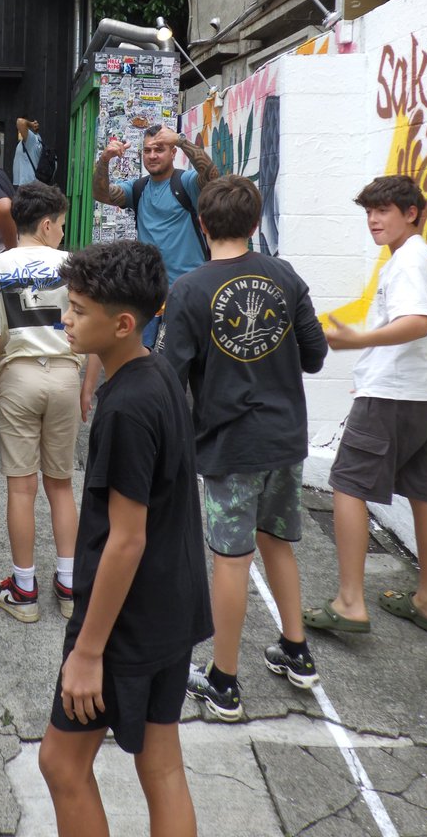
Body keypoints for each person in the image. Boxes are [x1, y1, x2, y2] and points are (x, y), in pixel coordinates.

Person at [38, 241, 212, 837]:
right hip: (171, 606)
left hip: (126, 622)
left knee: (61, 763)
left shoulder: (126, 407)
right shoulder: (156, 372)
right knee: (161, 764)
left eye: (78, 309)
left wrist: (87, 653)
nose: (66, 317)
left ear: (123, 323)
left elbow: (126, 540)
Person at [163, 176, 328, 722]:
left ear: (202, 224)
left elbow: (169, 374)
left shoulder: (188, 290)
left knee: (230, 561)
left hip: (229, 444)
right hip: (285, 440)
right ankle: (296, 651)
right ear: (255, 223)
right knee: (277, 542)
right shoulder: (285, 276)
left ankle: (224, 681)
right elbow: (314, 356)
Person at [305, 174, 427, 637]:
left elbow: (414, 322)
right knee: (425, 495)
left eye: (384, 210)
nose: (373, 219)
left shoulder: (408, 259)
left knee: (347, 485)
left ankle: (350, 602)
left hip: (395, 396)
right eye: (369, 211)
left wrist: (358, 341)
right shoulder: (424, 256)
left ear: (411, 213)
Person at [0, 182, 81, 623]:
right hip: (65, 376)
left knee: (21, 487)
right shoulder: (74, 265)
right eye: (60, 225)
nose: (62, 232)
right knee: (60, 485)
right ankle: (68, 584)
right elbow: (88, 332)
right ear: (45, 223)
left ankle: (23, 590)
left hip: (18, 377)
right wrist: (88, 385)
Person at [91, 123, 219, 348]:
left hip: (189, 292)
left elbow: (212, 176)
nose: (152, 155)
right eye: (147, 150)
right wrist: (104, 160)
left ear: (172, 153)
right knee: (149, 364)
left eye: (159, 149)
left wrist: (180, 139)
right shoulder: (138, 189)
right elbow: (101, 194)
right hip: (150, 293)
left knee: (192, 368)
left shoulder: (186, 183)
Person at [12, 117, 43, 187]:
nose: (19, 130)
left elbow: (20, 122)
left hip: (28, 185)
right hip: (27, 184)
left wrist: (31, 124)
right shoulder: (31, 141)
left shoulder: (32, 140)